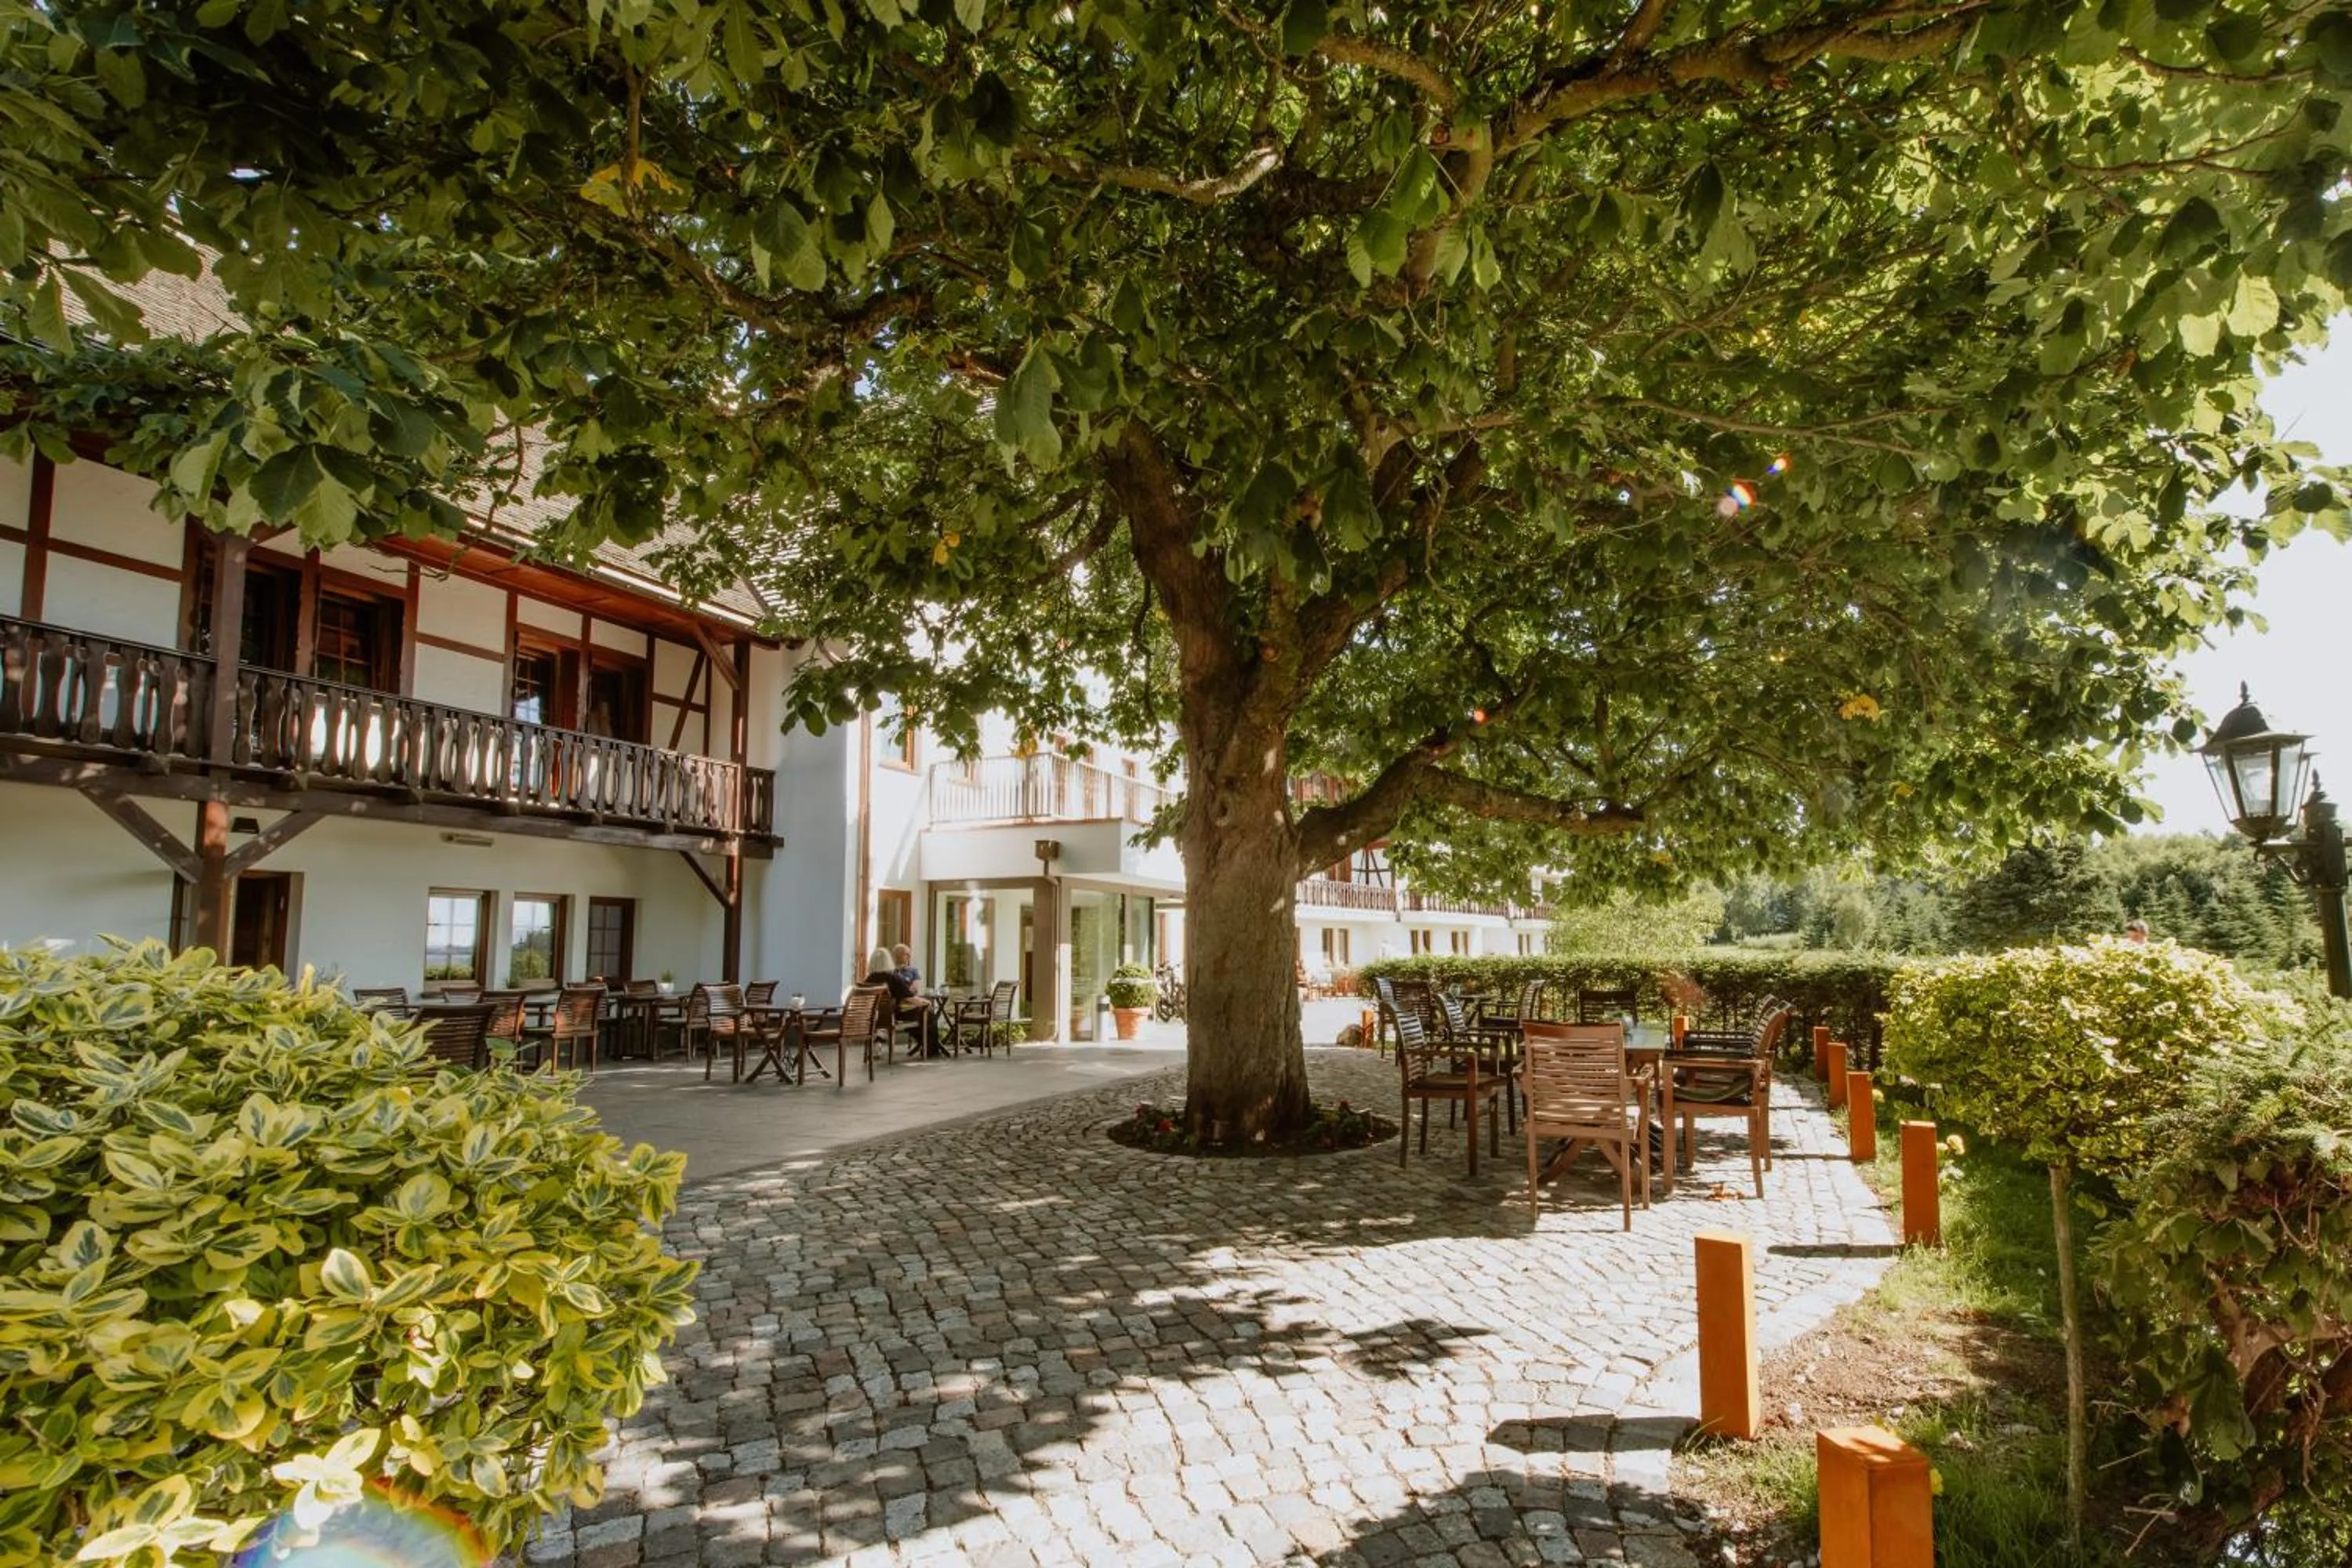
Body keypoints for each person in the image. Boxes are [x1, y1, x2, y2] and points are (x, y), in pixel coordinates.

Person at [864, 946, 936, 1055]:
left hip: (875, 1018)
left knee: (919, 1016)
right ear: (888, 960)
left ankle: (926, 1046)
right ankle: (931, 1049)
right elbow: (910, 998)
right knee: (928, 1014)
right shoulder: (893, 978)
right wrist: (927, 1002)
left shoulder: (868, 980)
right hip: (894, 1016)